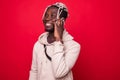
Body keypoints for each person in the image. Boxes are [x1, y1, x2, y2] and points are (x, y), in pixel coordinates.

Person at [29, 2, 81, 80]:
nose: (47, 18)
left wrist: (58, 40)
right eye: (46, 15)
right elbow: (34, 71)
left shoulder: (73, 46)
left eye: (53, 16)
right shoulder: (38, 44)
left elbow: (59, 73)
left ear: (62, 21)